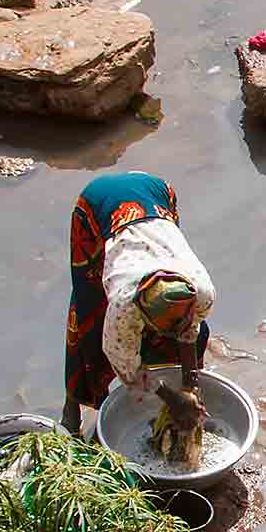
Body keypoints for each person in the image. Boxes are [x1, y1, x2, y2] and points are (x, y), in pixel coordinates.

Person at [63, 172, 216, 436]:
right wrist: (170, 397)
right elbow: (125, 364)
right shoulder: (125, 306)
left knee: (199, 335)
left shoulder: (201, 291)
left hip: (155, 193)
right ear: (142, 314)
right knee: (88, 319)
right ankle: (71, 410)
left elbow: (190, 331)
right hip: (98, 205)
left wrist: (190, 387)